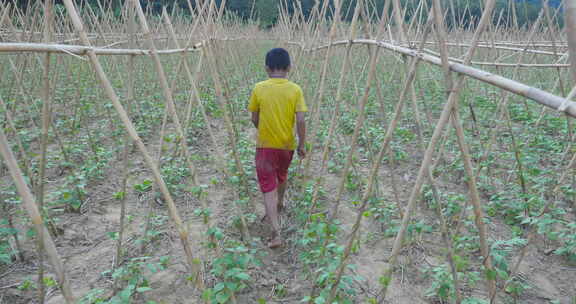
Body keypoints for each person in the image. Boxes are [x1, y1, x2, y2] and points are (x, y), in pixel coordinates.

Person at [248, 48, 307, 248]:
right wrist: (302, 144)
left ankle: (275, 232)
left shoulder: (259, 88)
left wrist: (262, 128)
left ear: (266, 68)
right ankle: (280, 202)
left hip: (265, 147)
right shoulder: (295, 90)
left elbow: (254, 118)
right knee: (282, 175)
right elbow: (300, 119)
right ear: (289, 68)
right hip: (286, 146)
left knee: (267, 186)